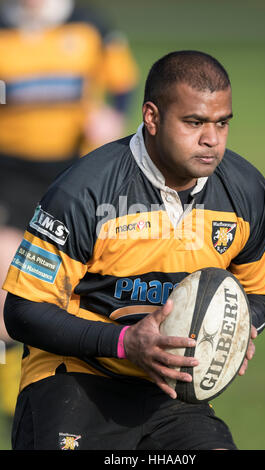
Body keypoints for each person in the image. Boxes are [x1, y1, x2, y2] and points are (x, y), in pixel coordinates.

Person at [2, 50, 265, 450]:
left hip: (170, 393)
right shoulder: (84, 191)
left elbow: (262, 291)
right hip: (75, 378)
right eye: (194, 122)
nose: (212, 139)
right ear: (152, 117)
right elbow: (22, 311)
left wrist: (238, 326)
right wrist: (125, 343)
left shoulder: (247, 192)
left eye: (222, 123)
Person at [0, 0, 138, 422]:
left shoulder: (89, 25)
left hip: (73, 171)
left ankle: (75, 377)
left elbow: (124, 84)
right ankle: (15, 393)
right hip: (9, 171)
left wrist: (112, 117)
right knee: (9, 279)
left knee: (70, 283)